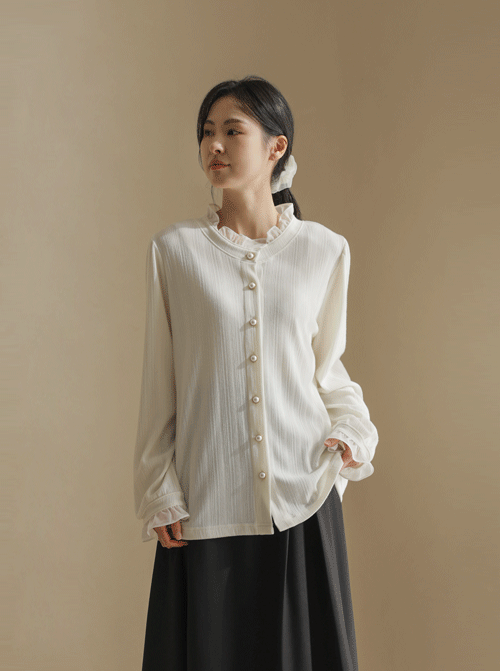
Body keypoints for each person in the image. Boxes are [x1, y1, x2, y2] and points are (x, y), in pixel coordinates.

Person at [133, 75, 379, 671]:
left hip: (302, 501)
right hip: (207, 503)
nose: (214, 145)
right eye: (206, 133)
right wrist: (158, 488)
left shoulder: (324, 250)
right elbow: (159, 385)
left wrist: (352, 431)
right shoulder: (175, 252)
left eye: (231, 131)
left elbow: (328, 373)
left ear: (276, 147)